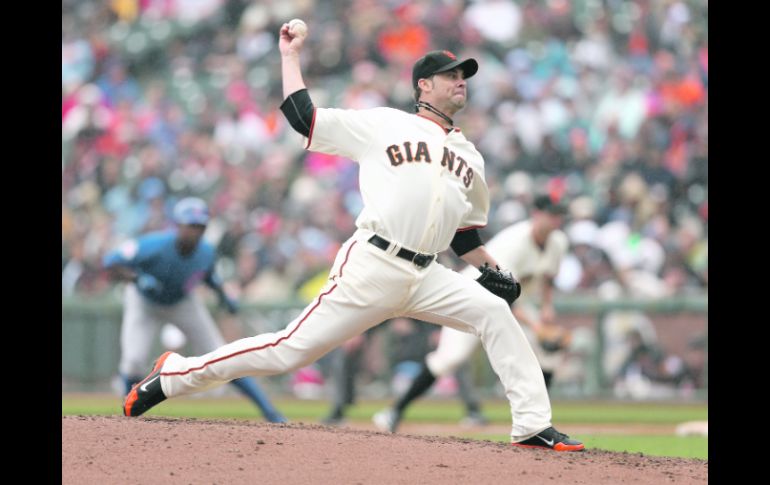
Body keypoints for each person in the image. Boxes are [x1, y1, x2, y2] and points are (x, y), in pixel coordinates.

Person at [123, 22, 584, 452]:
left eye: (465, 75)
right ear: (424, 85)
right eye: (451, 75)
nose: (461, 80)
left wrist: (493, 269)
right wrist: (290, 56)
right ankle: (174, 374)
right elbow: (303, 117)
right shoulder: (384, 124)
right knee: (287, 351)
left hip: (429, 275)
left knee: (494, 312)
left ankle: (530, 425)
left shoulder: (470, 156)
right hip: (374, 264)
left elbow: (465, 237)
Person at [373, 194, 572, 433]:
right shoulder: (515, 242)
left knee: (547, 356)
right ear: (536, 214)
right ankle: (394, 411)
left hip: (512, 302)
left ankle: (539, 421)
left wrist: (547, 308)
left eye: (559, 215)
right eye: (551, 214)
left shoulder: (558, 241)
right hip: (473, 295)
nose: (556, 220)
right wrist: (535, 325)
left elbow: (548, 277)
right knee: (449, 358)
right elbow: (500, 290)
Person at [103, 197, 286, 423]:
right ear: (178, 225)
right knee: (133, 360)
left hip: (182, 301)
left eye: (200, 227)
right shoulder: (153, 245)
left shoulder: (206, 252)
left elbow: (210, 277)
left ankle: (270, 412)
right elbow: (111, 262)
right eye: (191, 225)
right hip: (145, 302)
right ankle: (128, 413)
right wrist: (137, 278)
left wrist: (223, 296)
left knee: (221, 355)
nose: (195, 231)